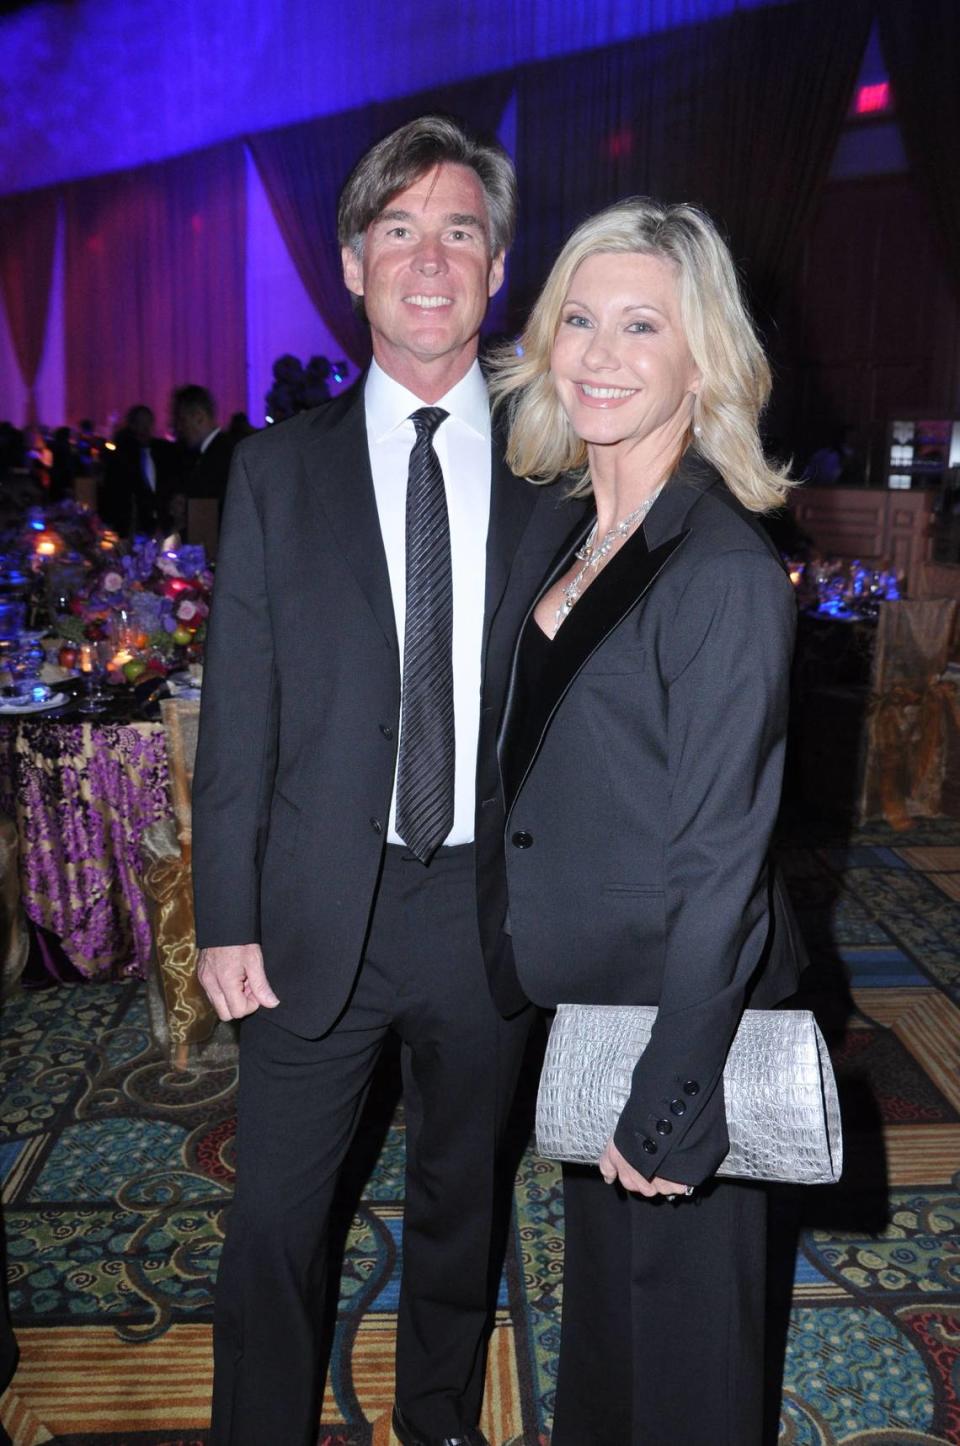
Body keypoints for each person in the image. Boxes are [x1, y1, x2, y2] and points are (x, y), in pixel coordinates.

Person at [191, 115, 582, 1446]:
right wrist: (223, 914)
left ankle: (437, 1420)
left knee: (462, 1202)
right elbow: (238, 715)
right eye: (399, 230)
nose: (431, 258)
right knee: (274, 1223)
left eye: (459, 230)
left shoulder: (557, 471)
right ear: (352, 264)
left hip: (489, 913)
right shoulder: (273, 472)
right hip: (308, 912)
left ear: (497, 266)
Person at [489, 198, 808, 1445]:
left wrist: (675, 1092)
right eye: (579, 318)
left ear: (702, 361)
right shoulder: (573, 529)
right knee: (612, 1347)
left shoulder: (721, 568)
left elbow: (724, 863)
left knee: (687, 1369)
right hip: (592, 1002)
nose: (599, 353)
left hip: (687, 1019)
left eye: (641, 325)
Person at [99, 405, 175, 536]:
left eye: (149, 423)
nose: (146, 428)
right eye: (141, 423)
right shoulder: (122, 455)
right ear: (132, 425)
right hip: (130, 525)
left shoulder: (161, 451)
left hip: (159, 524)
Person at [171, 383, 236, 517]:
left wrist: (186, 510)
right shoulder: (222, 450)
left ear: (199, 417)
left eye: (183, 421)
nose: (179, 428)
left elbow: (207, 523)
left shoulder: (219, 456)